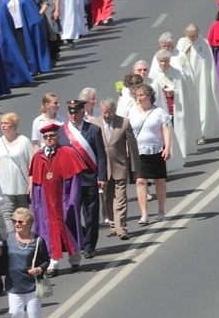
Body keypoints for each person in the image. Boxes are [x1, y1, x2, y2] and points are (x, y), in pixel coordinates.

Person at [29, 123, 85, 276]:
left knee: (68, 227)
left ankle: (74, 258)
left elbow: (75, 181)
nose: (49, 139)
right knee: (47, 231)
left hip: (64, 200)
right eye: (46, 137)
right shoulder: (38, 157)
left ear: (58, 136)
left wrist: (71, 201)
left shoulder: (67, 153)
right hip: (46, 204)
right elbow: (35, 185)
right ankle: (52, 262)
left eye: (52, 136)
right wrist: (36, 204)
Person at [64, 99, 107, 261]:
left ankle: (89, 246)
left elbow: (101, 156)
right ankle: (79, 241)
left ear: (83, 112)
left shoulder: (94, 130)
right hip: (70, 182)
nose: (73, 116)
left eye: (76, 112)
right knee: (70, 215)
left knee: (91, 216)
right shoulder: (64, 132)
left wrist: (102, 176)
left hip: (89, 179)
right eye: (71, 113)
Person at [92, 98, 140, 240]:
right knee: (107, 197)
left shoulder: (124, 123)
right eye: (105, 112)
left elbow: (133, 147)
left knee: (120, 198)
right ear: (101, 111)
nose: (107, 115)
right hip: (102, 169)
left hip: (119, 166)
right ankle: (113, 225)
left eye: (110, 112)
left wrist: (135, 168)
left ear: (114, 110)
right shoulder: (95, 125)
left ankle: (121, 228)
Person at [5, 207, 49, 318]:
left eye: (20, 222)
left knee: (33, 314)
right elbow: (3, 259)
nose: (16, 224)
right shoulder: (9, 238)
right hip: (13, 284)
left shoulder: (37, 241)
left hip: (32, 284)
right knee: (15, 313)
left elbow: (46, 261)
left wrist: (38, 269)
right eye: (14, 221)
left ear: (29, 224)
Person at [176, 24, 219, 144]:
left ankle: (201, 134)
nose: (192, 38)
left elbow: (208, 63)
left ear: (198, 32)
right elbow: (178, 60)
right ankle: (190, 133)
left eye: (194, 36)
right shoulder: (182, 42)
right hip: (187, 80)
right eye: (190, 36)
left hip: (202, 81)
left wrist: (210, 80)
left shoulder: (204, 43)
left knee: (202, 105)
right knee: (189, 106)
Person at [129, 85, 171, 224]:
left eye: (141, 95)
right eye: (138, 95)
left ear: (149, 96)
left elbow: (165, 131)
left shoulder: (158, 112)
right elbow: (128, 132)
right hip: (139, 152)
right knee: (140, 181)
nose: (139, 98)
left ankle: (161, 211)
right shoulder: (132, 112)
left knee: (159, 180)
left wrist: (167, 148)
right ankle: (144, 215)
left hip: (156, 150)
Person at [0, 113, 33, 233]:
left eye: (6, 123)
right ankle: (13, 243)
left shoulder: (24, 141)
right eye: (1, 123)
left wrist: (31, 184)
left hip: (22, 188)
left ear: (15, 125)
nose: (3, 126)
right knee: (7, 217)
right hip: (4, 188)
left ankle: (25, 242)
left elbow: (31, 165)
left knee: (23, 218)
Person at [0, 0, 53, 76]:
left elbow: (32, 10)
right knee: (18, 50)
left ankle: (32, 68)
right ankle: (22, 71)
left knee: (27, 48)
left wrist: (34, 23)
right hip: (12, 27)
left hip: (25, 25)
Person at [149, 49, 200, 157]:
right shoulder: (154, 74)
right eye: (161, 61)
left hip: (174, 106)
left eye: (165, 61)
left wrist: (173, 92)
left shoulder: (176, 73)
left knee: (176, 129)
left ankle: (179, 151)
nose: (163, 64)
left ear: (169, 61)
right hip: (161, 107)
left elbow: (182, 91)